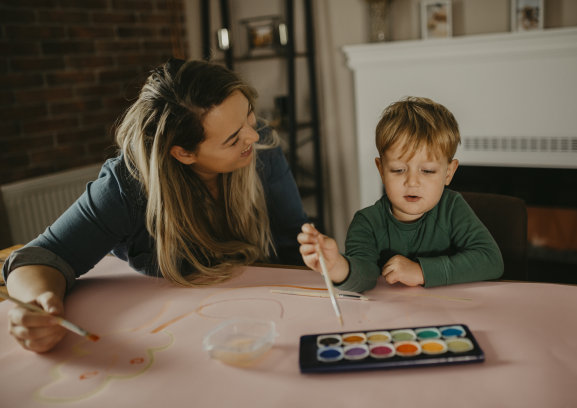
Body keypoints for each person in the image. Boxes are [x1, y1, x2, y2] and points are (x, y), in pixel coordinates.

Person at [3, 58, 309, 352]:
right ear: (183, 153)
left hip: (256, 317)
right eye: (232, 139)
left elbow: (293, 242)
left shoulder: (261, 144)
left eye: (250, 115)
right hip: (168, 333)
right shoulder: (128, 186)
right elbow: (38, 258)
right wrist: (36, 303)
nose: (253, 135)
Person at [298, 96, 503, 293]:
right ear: (381, 169)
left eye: (428, 171)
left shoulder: (453, 208)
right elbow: (365, 274)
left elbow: (491, 260)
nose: (412, 182)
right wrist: (336, 266)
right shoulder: (367, 222)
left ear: (448, 173)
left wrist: (421, 271)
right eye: (398, 170)